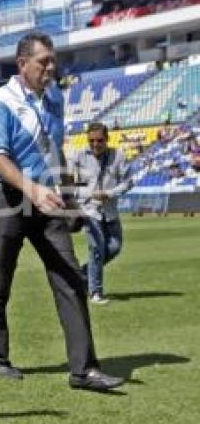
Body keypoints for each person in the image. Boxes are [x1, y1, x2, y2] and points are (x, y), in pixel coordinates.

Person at [0, 32, 124, 391]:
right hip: (9, 200)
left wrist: (65, 194)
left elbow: (53, 148)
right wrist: (32, 188)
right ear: (22, 64)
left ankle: (84, 369)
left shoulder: (56, 97)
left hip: (48, 202)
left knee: (70, 280)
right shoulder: (2, 100)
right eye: (43, 61)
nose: (51, 67)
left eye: (53, 60)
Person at [72, 122, 132, 304]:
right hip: (90, 211)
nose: (95, 144)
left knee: (114, 247)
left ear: (107, 139)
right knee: (96, 250)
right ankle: (95, 293)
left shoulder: (119, 156)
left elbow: (128, 182)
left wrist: (109, 193)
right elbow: (71, 187)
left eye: (99, 140)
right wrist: (88, 196)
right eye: (91, 140)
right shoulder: (79, 157)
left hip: (110, 211)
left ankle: (82, 274)